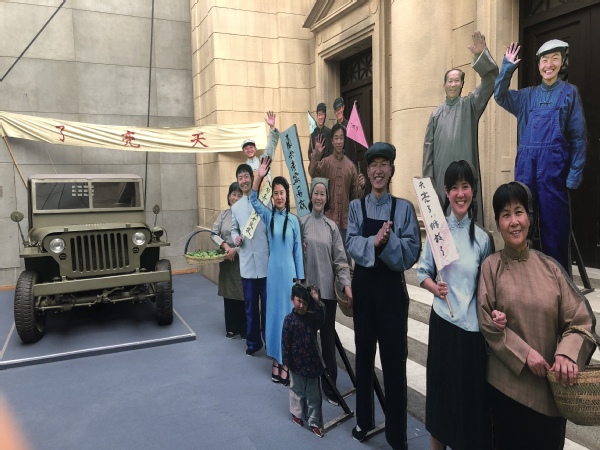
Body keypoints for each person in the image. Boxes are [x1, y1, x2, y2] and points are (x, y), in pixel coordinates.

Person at [478, 181, 596, 450]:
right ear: (498, 223)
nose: (514, 221)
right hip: (505, 390)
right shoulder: (491, 267)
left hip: (549, 393)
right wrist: (525, 354)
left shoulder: (550, 268)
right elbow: (486, 321)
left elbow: (580, 320)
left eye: (519, 212)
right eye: (505, 215)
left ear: (529, 218)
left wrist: (567, 354)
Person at [346, 142, 421, 449]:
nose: (378, 170)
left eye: (384, 164)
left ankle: (396, 435)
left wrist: (387, 243)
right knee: (363, 357)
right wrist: (373, 243)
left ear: (392, 170)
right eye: (373, 164)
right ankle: (363, 421)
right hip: (364, 291)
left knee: (394, 363)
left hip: (392, 295)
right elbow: (351, 242)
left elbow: (412, 252)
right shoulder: (356, 207)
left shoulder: (404, 209)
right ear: (367, 171)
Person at [416, 161, 495, 450]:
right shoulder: (437, 231)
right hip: (443, 325)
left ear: (473, 191)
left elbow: (488, 291)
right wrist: (434, 288)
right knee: (441, 398)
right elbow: (422, 272)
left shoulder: (483, 239)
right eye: (454, 188)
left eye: (466, 186)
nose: (461, 194)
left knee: (468, 403)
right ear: (446, 192)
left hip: (472, 333)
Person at [494, 39, 587, 277]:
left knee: (555, 229)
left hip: (553, 173)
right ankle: (522, 276)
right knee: (520, 223)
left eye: (555, 59)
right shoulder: (527, 96)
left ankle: (558, 281)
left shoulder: (569, 93)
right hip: (526, 170)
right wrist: (507, 67)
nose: (549, 64)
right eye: (544, 60)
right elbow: (500, 95)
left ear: (562, 62)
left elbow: (578, 137)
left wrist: (573, 176)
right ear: (538, 65)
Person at [423, 31, 498, 225]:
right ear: (444, 85)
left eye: (457, 80)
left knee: (467, 222)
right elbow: (428, 153)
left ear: (462, 84)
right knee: (443, 225)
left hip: (466, 178)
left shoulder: (470, 106)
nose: (453, 84)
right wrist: (429, 186)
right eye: (450, 80)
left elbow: (491, 80)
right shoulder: (436, 115)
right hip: (441, 181)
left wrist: (480, 56)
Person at [251, 156, 304, 385]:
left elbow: (298, 252)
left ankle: (286, 362)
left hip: (289, 276)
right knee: (273, 316)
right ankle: (275, 359)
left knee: (288, 318)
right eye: (275, 193)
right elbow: (253, 199)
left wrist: (300, 281)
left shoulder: (293, 221)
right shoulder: (268, 216)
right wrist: (259, 177)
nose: (279, 197)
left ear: (286, 195)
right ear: (272, 196)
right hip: (273, 275)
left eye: (282, 193)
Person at [299, 177, 352, 406]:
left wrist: (346, 285)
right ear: (311, 196)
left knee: (328, 342)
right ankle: (309, 385)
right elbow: (295, 256)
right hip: (307, 294)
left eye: (322, 194)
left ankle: (330, 388)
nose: (319, 197)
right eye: (316, 193)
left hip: (327, 296)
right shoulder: (301, 223)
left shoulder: (332, 227)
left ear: (327, 197)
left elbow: (340, 260)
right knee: (308, 341)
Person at [231, 164, 269, 356]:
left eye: (246, 176)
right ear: (238, 181)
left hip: (265, 263)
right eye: (241, 178)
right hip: (246, 264)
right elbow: (233, 229)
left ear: (252, 178)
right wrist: (235, 238)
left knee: (268, 308)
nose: (244, 181)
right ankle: (253, 343)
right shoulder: (235, 207)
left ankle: (270, 342)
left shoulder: (264, 202)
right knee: (250, 307)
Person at [282, 284, 326, 438]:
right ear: (292, 299)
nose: (301, 306)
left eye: (305, 303)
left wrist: (316, 302)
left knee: (314, 395)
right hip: (296, 364)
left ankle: (315, 422)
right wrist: (287, 362)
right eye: (298, 301)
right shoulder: (289, 320)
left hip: (313, 363)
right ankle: (297, 414)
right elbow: (285, 343)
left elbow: (321, 319)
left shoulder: (312, 318)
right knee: (297, 390)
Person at [309, 122, 365, 244]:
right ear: (332, 141)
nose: (339, 141)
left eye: (341, 138)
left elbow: (356, 196)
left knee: (344, 253)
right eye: (336, 138)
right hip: (328, 219)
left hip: (345, 221)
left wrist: (362, 186)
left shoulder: (350, 166)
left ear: (344, 140)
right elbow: (312, 173)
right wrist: (316, 154)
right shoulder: (326, 163)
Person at [211, 182, 247, 339]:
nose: (236, 198)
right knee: (229, 295)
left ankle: (245, 328)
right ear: (228, 196)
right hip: (227, 260)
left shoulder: (247, 216)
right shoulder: (223, 215)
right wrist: (225, 246)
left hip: (242, 260)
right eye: (233, 194)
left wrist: (235, 250)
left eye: (240, 195)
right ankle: (231, 327)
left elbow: (249, 238)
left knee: (243, 294)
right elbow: (213, 233)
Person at [242, 111, 280, 182]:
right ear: (243, 152)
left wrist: (272, 127)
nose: (249, 150)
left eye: (251, 147)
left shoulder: (264, 160)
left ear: (255, 149)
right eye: (246, 148)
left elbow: (271, 146)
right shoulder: (243, 168)